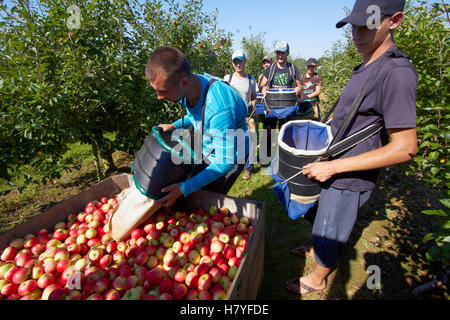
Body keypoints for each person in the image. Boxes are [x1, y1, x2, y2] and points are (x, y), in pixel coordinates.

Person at [286, 0, 418, 296]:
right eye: (353, 26)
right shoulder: (370, 62)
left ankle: (319, 278)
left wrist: (334, 166)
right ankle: (314, 250)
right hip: (336, 161)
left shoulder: (397, 72)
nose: (357, 34)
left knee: (333, 225)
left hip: (350, 173)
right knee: (322, 216)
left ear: (394, 21)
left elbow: (406, 148)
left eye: (366, 26)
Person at [145, 46, 249, 208]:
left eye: (163, 91)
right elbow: (197, 116)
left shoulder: (219, 106)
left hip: (232, 154)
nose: (159, 97)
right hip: (210, 145)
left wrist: (184, 189)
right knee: (194, 188)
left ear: (184, 82)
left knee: (206, 200)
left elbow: (225, 162)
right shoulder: (191, 86)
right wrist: (174, 125)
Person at [259, 41, 302, 158]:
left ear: (287, 53)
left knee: (286, 130)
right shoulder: (271, 69)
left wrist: (298, 88)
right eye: (278, 53)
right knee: (268, 130)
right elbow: (262, 85)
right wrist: (263, 88)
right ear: (275, 54)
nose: (280, 56)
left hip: (287, 107)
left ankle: (286, 153)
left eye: (283, 53)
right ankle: (265, 154)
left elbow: (299, 84)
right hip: (272, 107)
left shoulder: (292, 68)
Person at [223, 50, 258, 180]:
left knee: (251, 141)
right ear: (233, 63)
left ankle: (248, 169)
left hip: (247, 116)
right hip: (232, 117)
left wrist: (253, 102)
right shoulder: (227, 79)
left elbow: (254, 97)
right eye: (235, 61)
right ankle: (233, 166)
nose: (238, 64)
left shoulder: (251, 79)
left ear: (245, 61)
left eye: (240, 61)